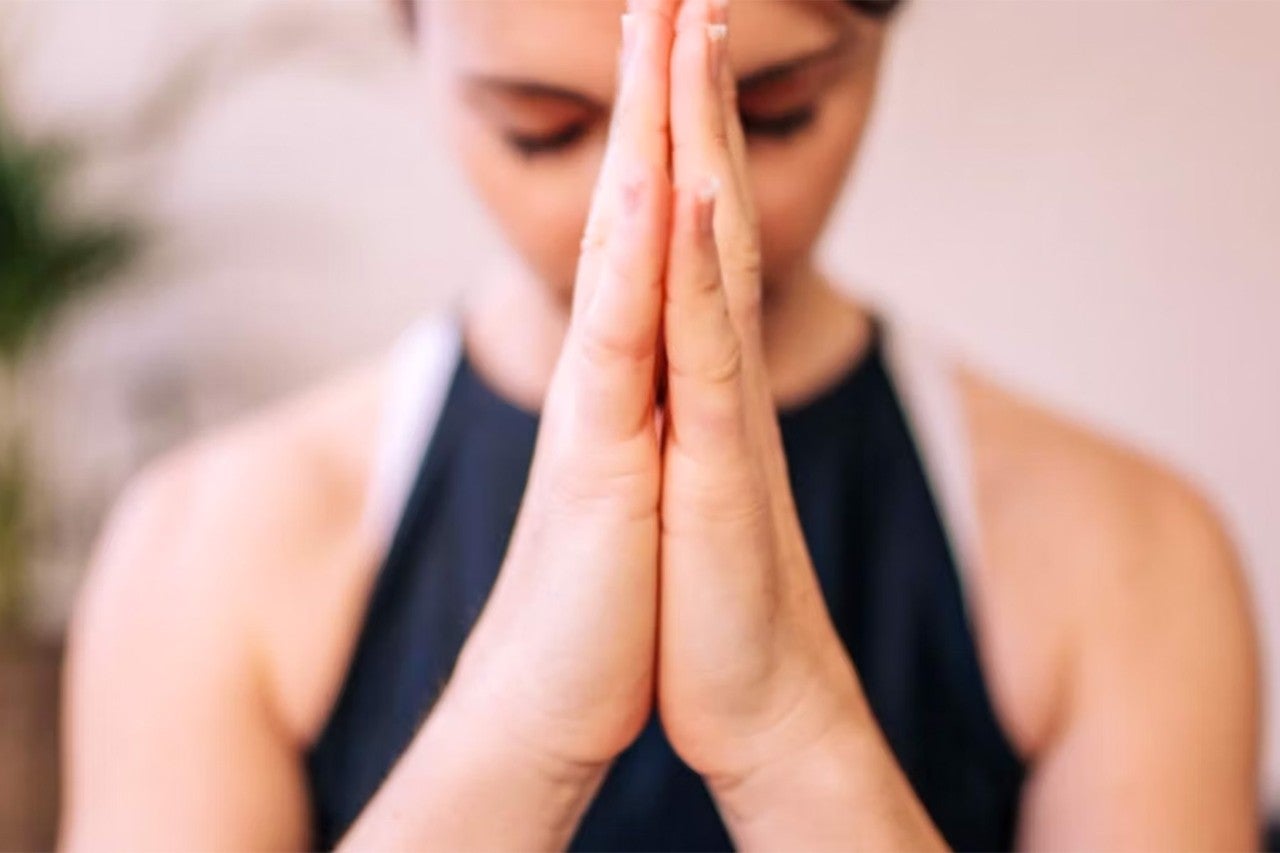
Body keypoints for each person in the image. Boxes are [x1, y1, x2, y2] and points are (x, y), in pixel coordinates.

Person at [59, 0, 1263, 849]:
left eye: (772, 112)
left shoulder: (1130, 554)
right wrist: (521, 728)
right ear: (412, 33)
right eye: (542, 126)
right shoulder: (205, 550)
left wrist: (789, 732)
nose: (662, 196)